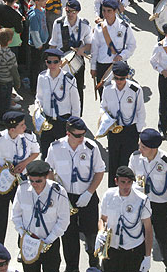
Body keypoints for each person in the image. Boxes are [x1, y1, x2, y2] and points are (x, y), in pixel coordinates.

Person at [45, 116, 105, 271]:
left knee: (91, 232)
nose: (82, 138)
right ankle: (72, 267)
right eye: (78, 135)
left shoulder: (91, 148)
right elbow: (48, 170)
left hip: (87, 195)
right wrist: (56, 191)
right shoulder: (56, 148)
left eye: (83, 134)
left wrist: (89, 192)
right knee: (68, 235)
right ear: (68, 133)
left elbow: (99, 171)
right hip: (66, 197)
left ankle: (93, 260)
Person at [129, 128, 167, 272]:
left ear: (154, 148)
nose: (140, 149)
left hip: (160, 206)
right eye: (140, 145)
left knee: (164, 239)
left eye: (143, 147)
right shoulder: (135, 158)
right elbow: (130, 177)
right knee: (141, 237)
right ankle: (143, 264)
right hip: (141, 204)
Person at [0, 111, 39, 244]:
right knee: (1, 216)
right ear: (12, 129)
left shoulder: (28, 136)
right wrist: (3, 170)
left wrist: (24, 163)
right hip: (4, 182)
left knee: (24, 215)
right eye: (21, 125)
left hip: (22, 181)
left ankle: (22, 244)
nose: (25, 127)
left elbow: (35, 152)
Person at [12, 160, 70, 272]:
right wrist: (24, 234)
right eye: (31, 181)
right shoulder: (22, 189)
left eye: (38, 181)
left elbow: (64, 220)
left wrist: (48, 240)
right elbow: (16, 215)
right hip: (29, 242)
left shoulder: (58, 192)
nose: (34, 184)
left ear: (47, 176)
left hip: (50, 242)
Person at [99, 61, 146, 187]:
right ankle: (113, 188)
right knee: (114, 160)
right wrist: (106, 119)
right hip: (114, 129)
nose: (119, 81)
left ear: (127, 77)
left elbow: (141, 111)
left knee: (128, 161)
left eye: (122, 78)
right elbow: (103, 107)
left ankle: (128, 188)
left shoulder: (135, 90)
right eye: (117, 78)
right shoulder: (108, 88)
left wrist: (139, 131)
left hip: (130, 130)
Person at [98, 166, 153, 272]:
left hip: (133, 251)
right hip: (113, 250)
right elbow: (103, 219)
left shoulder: (142, 200)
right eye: (123, 182)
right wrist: (101, 232)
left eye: (129, 182)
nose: (126, 186)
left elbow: (148, 229)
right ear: (116, 181)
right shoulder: (108, 195)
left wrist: (147, 256)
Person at [34, 47, 80, 159]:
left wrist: (74, 124)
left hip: (63, 121)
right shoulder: (42, 77)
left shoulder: (69, 79)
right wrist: (37, 113)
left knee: (65, 154)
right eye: (49, 62)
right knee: (45, 153)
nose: (52, 65)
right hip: (47, 121)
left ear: (60, 62)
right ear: (46, 63)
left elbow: (75, 103)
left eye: (55, 62)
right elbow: (38, 98)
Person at [49, 0, 91, 109]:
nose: (70, 14)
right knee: (61, 88)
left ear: (77, 12)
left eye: (73, 12)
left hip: (77, 61)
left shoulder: (84, 25)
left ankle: (78, 115)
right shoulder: (58, 23)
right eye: (68, 11)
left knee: (78, 88)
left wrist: (83, 49)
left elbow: (90, 44)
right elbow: (53, 44)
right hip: (62, 61)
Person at [90, 0, 137, 96]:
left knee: (120, 95)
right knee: (104, 97)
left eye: (109, 11)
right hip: (102, 65)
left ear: (115, 11)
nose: (106, 14)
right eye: (104, 11)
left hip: (118, 65)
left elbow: (132, 45)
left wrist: (122, 56)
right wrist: (93, 67)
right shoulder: (99, 28)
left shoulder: (124, 27)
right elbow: (94, 50)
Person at [0, 28, 21, 122]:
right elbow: (14, 71)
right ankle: (4, 119)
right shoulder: (10, 55)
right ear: (10, 41)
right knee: (5, 102)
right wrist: (17, 83)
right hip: (6, 81)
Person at [27, 0, 49, 93]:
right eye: (43, 0)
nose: (45, 1)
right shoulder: (34, 15)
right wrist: (39, 44)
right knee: (36, 67)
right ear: (36, 1)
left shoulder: (42, 10)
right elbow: (34, 32)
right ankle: (34, 88)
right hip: (37, 46)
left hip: (43, 41)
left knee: (41, 65)